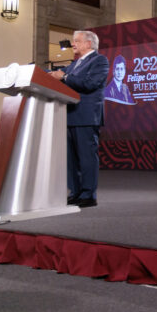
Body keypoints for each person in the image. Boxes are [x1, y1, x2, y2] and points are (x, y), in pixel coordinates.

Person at [49, 30, 109, 208]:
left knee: (86, 157)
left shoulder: (99, 61)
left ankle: (88, 195)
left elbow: (90, 84)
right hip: (69, 116)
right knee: (71, 159)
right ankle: (75, 193)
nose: (73, 44)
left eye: (76, 41)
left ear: (88, 44)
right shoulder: (75, 64)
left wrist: (65, 77)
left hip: (86, 116)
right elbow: (57, 74)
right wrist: (35, 71)